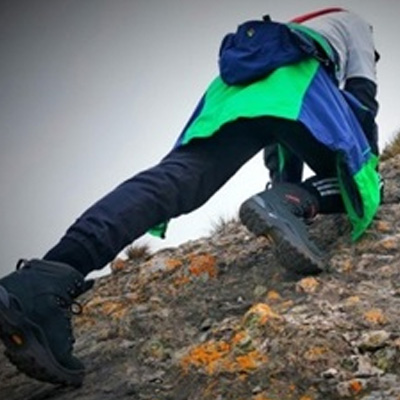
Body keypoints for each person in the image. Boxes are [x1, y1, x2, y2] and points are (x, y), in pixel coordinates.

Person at [0, 7, 381, 386]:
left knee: (176, 181)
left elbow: (279, 137)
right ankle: (298, 201)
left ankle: (46, 280)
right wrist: (362, 168)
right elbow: (362, 97)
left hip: (227, 93)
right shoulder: (355, 23)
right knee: (364, 184)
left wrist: (284, 197)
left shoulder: (280, 39)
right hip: (300, 80)